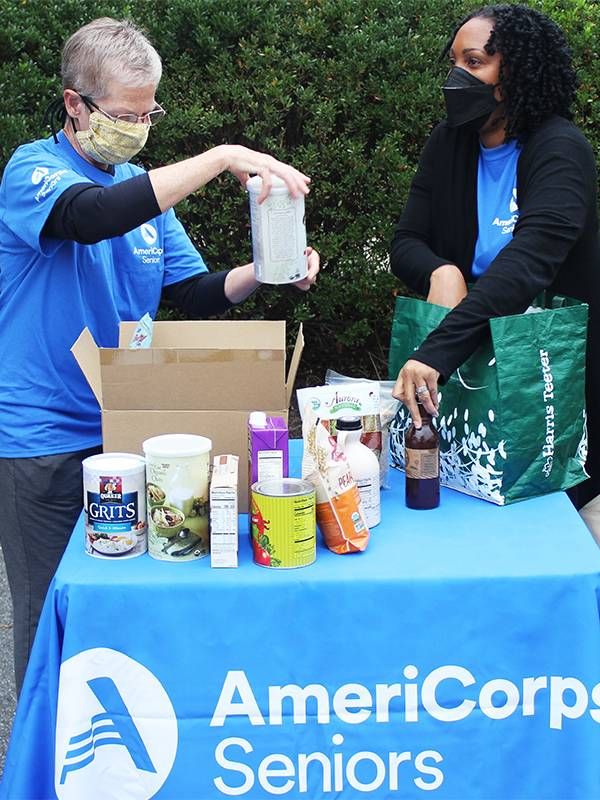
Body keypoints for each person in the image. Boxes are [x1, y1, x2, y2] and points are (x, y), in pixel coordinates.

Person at [0, 17, 320, 694]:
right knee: (50, 608)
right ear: (73, 104)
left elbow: (194, 293)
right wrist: (222, 156)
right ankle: (40, 759)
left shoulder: (144, 188)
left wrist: (268, 269)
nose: (139, 127)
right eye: (124, 114)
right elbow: (90, 218)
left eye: (149, 112)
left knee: (128, 597)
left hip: (130, 430)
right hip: (43, 440)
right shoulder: (33, 171)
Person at [390, 5, 600, 535]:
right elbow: (405, 241)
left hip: (556, 373)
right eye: (456, 61)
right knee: (470, 501)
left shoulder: (560, 150)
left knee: (549, 515)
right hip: (479, 353)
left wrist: (434, 351)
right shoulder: (449, 143)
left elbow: (527, 266)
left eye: (476, 61)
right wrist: (441, 272)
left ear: (519, 72)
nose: (458, 75)